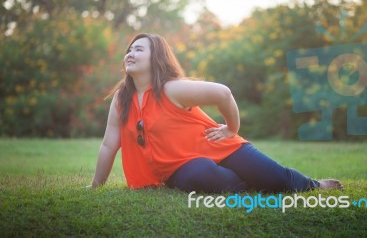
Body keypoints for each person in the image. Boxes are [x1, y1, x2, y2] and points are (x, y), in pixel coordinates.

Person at [88, 33, 343, 194]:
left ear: (157, 59)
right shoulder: (122, 99)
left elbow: (223, 93)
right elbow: (110, 144)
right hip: (182, 166)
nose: (130, 54)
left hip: (220, 145)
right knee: (202, 175)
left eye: (139, 49)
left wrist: (231, 129)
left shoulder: (172, 88)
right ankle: (248, 184)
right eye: (129, 50)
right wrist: (95, 186)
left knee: (276, 179)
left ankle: (314, 185)